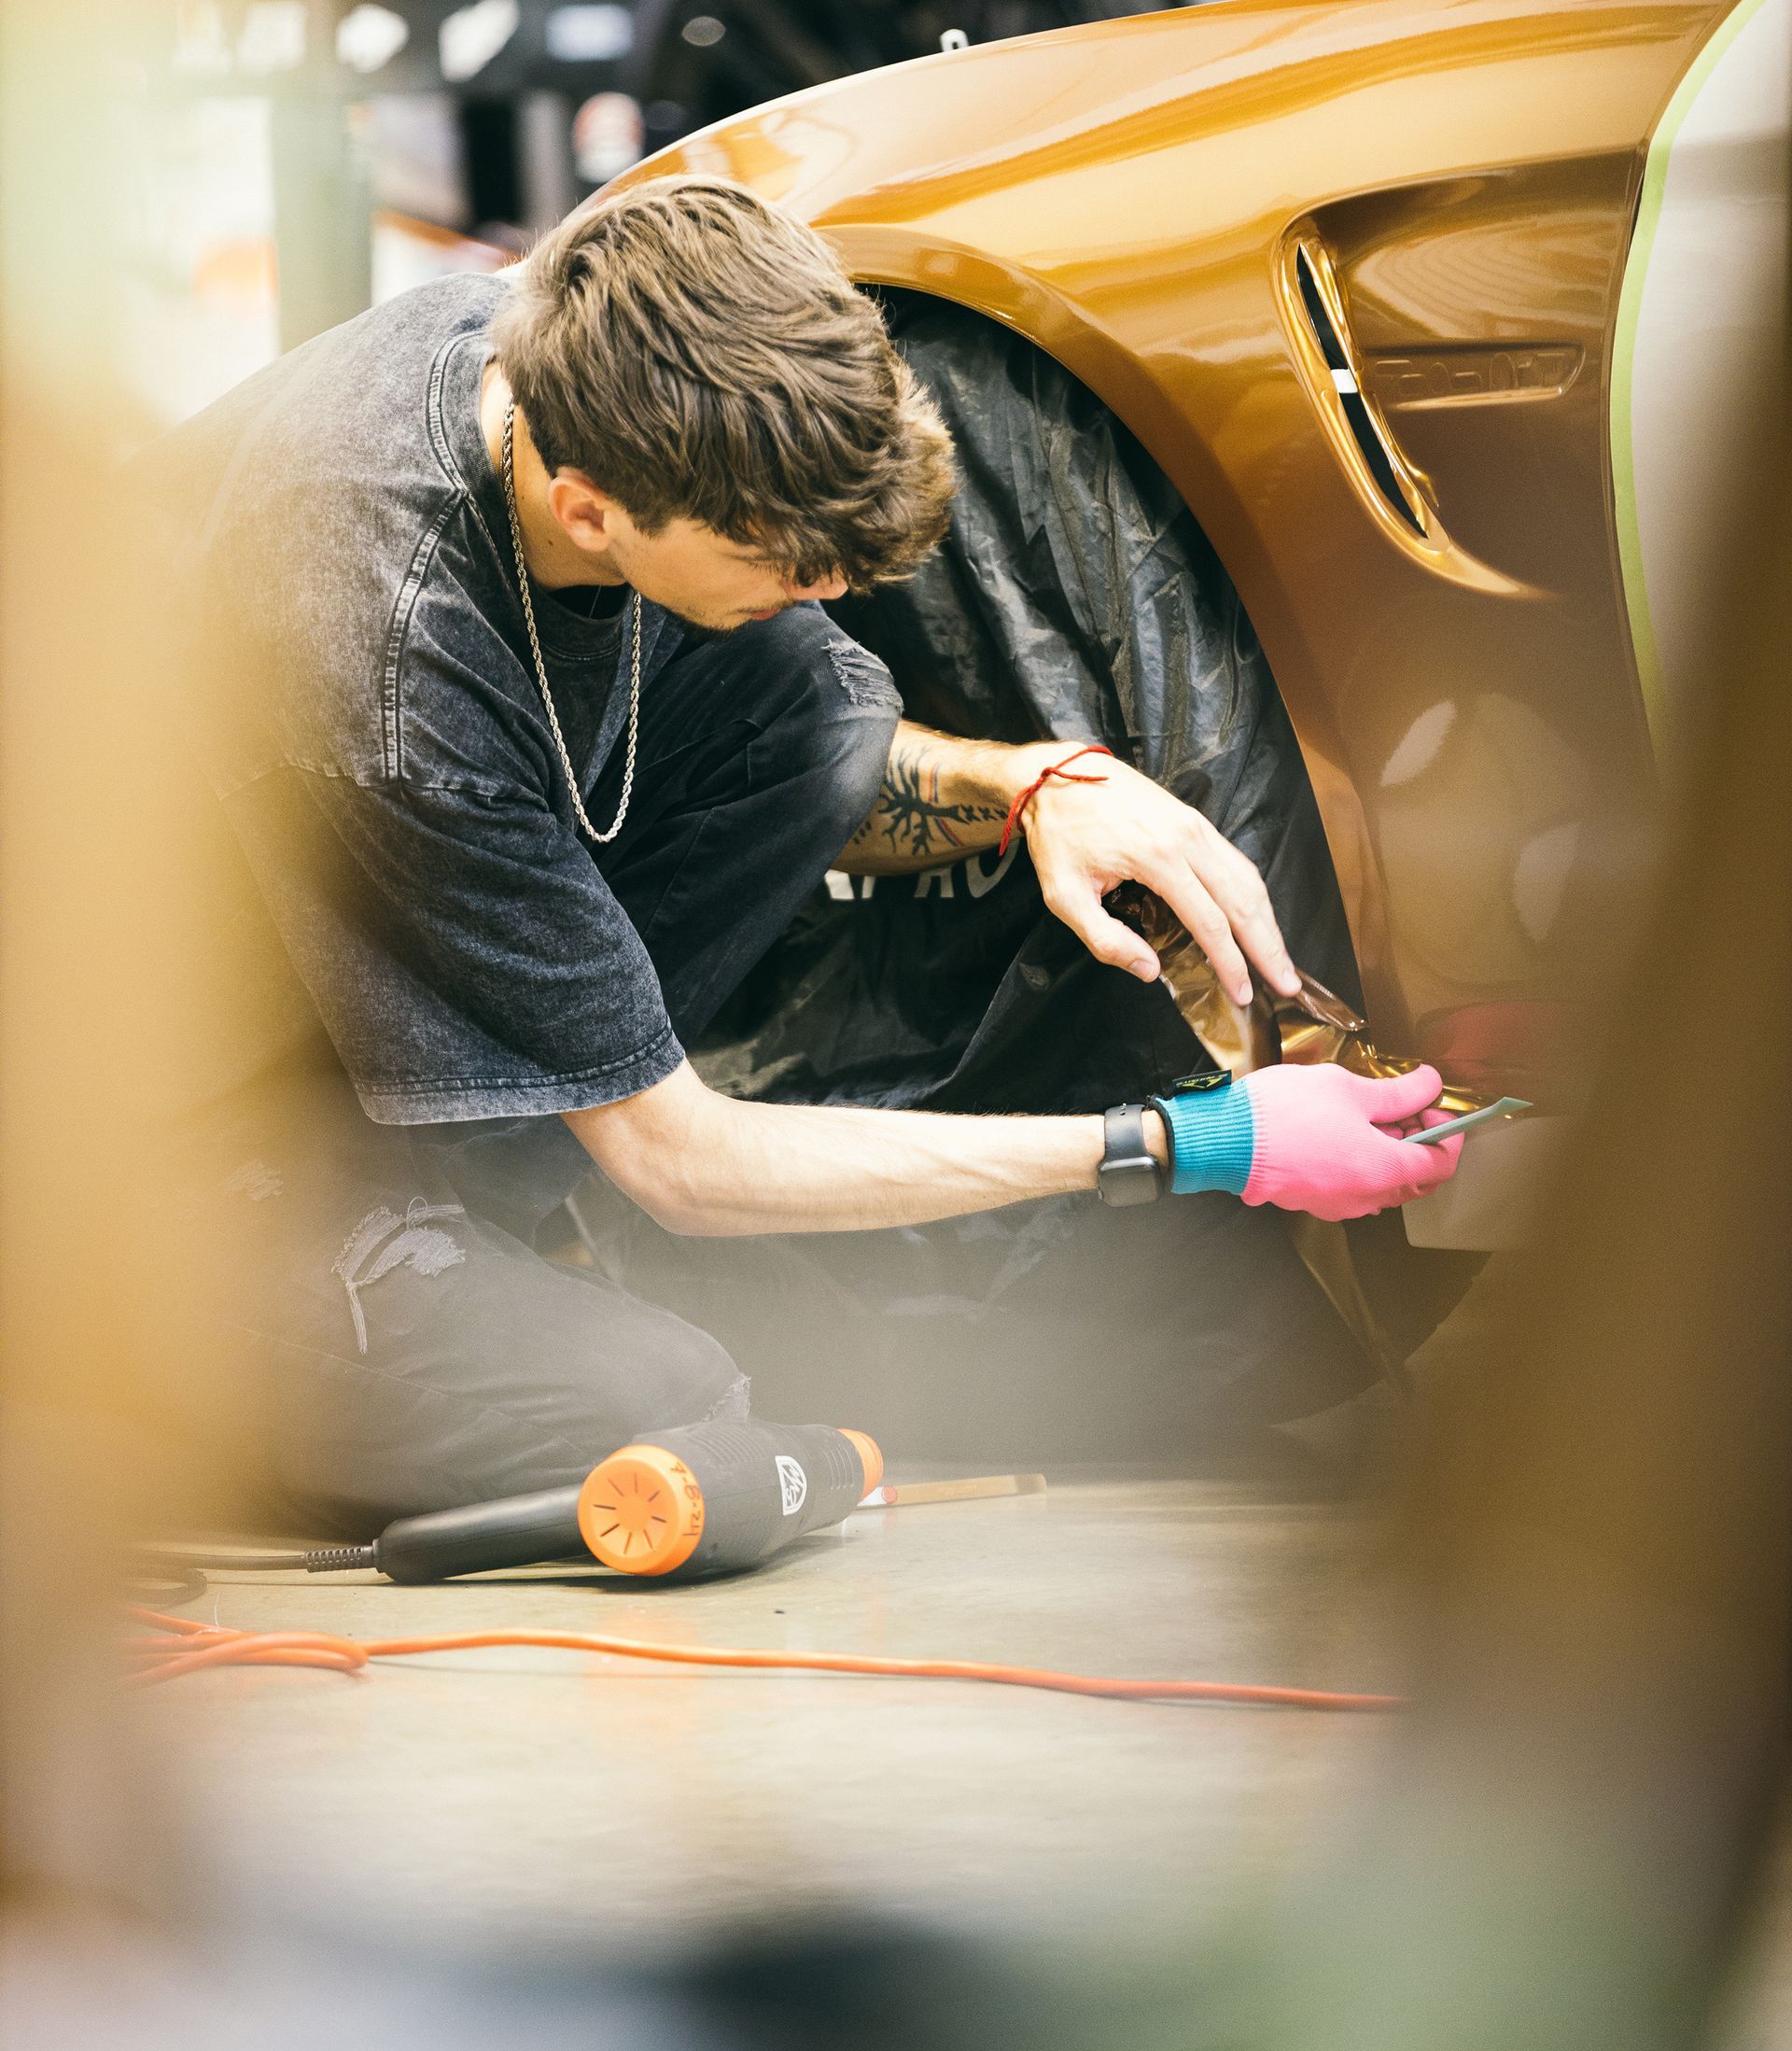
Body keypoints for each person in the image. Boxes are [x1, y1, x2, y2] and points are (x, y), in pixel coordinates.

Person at [150, 176, 1459, 1524]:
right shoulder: (394, 661)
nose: (827, 590)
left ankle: (468, 1222)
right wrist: (1190, 1142)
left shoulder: (578, 351)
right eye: (781, 561)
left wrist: (1033, 785)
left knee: (822, 706)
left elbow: (818, 726)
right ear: (592, 511)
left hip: (323, 990)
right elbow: (682, 1167)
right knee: (646, 1399)